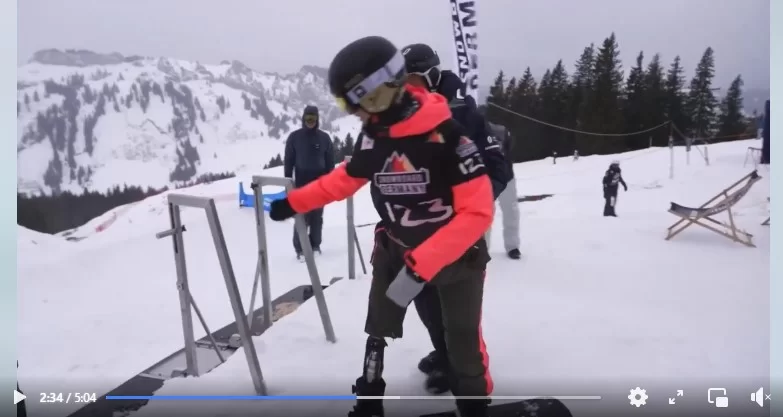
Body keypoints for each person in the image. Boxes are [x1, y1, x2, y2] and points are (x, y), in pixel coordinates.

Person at [269, 35, 494, 417]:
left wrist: (422, 265)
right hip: (397, 250)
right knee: (379, 327)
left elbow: (478, 213)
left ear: (392, 86)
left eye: (363, 102)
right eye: (350, 106)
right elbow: (344, 179)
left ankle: (473, 407)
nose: (359, 114)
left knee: (461, 341)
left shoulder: (449, 137)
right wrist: (295, 202)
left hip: (457, 261)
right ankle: (369, 400)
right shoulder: (376, 137)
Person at [398, 43, 512, 397]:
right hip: (418, 231)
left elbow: (498, 168)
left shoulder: (465, 113)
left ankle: (468, 376)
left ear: (432, 75)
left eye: (414, 78)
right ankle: (444, 354)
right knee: (424, 300)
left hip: (460, 232)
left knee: (460, 313)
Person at [283, 105, 334, 259]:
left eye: (313, 118)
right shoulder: (294, 137)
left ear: (317, 119)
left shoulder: (324, 138)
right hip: (300, 186)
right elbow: (289, 161)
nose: (310, 121)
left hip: (320, 186)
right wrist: (288, 183)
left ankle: (315, 245)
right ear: (303, 118)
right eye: (308, 118)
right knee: (301, 217)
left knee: (317, 217)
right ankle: (300, 249)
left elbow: (330, 163)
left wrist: (329, 183)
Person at [485, 122, 521, 260]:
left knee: (511, 211)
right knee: (486, 213)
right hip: (488, 179)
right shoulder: (477, 131)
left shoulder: (502, 131)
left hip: (506, 177)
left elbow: (509, 147)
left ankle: (512, 246)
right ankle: (484, 248)